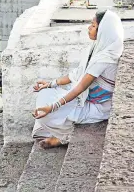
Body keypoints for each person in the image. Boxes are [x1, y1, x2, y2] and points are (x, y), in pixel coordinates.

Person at [32, 9, 124, 149]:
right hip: (85, 99)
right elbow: (76, 74)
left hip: (98, 107)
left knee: (46, 114)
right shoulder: (97, 47)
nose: (89, 28)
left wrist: (52, 107)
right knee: (45, 94)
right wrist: (50, 84)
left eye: (93, 26)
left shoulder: (105, 58)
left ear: (103, 31)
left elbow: (81, 86)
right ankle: (61, 131)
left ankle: (64, 137)